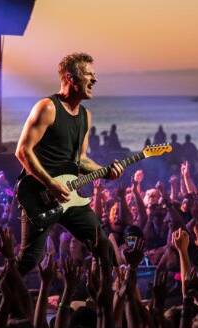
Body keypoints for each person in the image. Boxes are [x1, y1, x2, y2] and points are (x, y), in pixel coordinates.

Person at [14, 52, 123, 272]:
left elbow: (80, 159)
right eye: (88, 74)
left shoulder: (85, 116)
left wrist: (105, 171)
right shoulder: (47, 107)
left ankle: (102, 302)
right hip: (40, 196)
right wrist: (50, 184)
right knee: (28, 261)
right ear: (70, 78)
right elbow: (23, 151)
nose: (94, 79)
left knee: (104, 249)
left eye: (95, 75)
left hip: (69, 197)